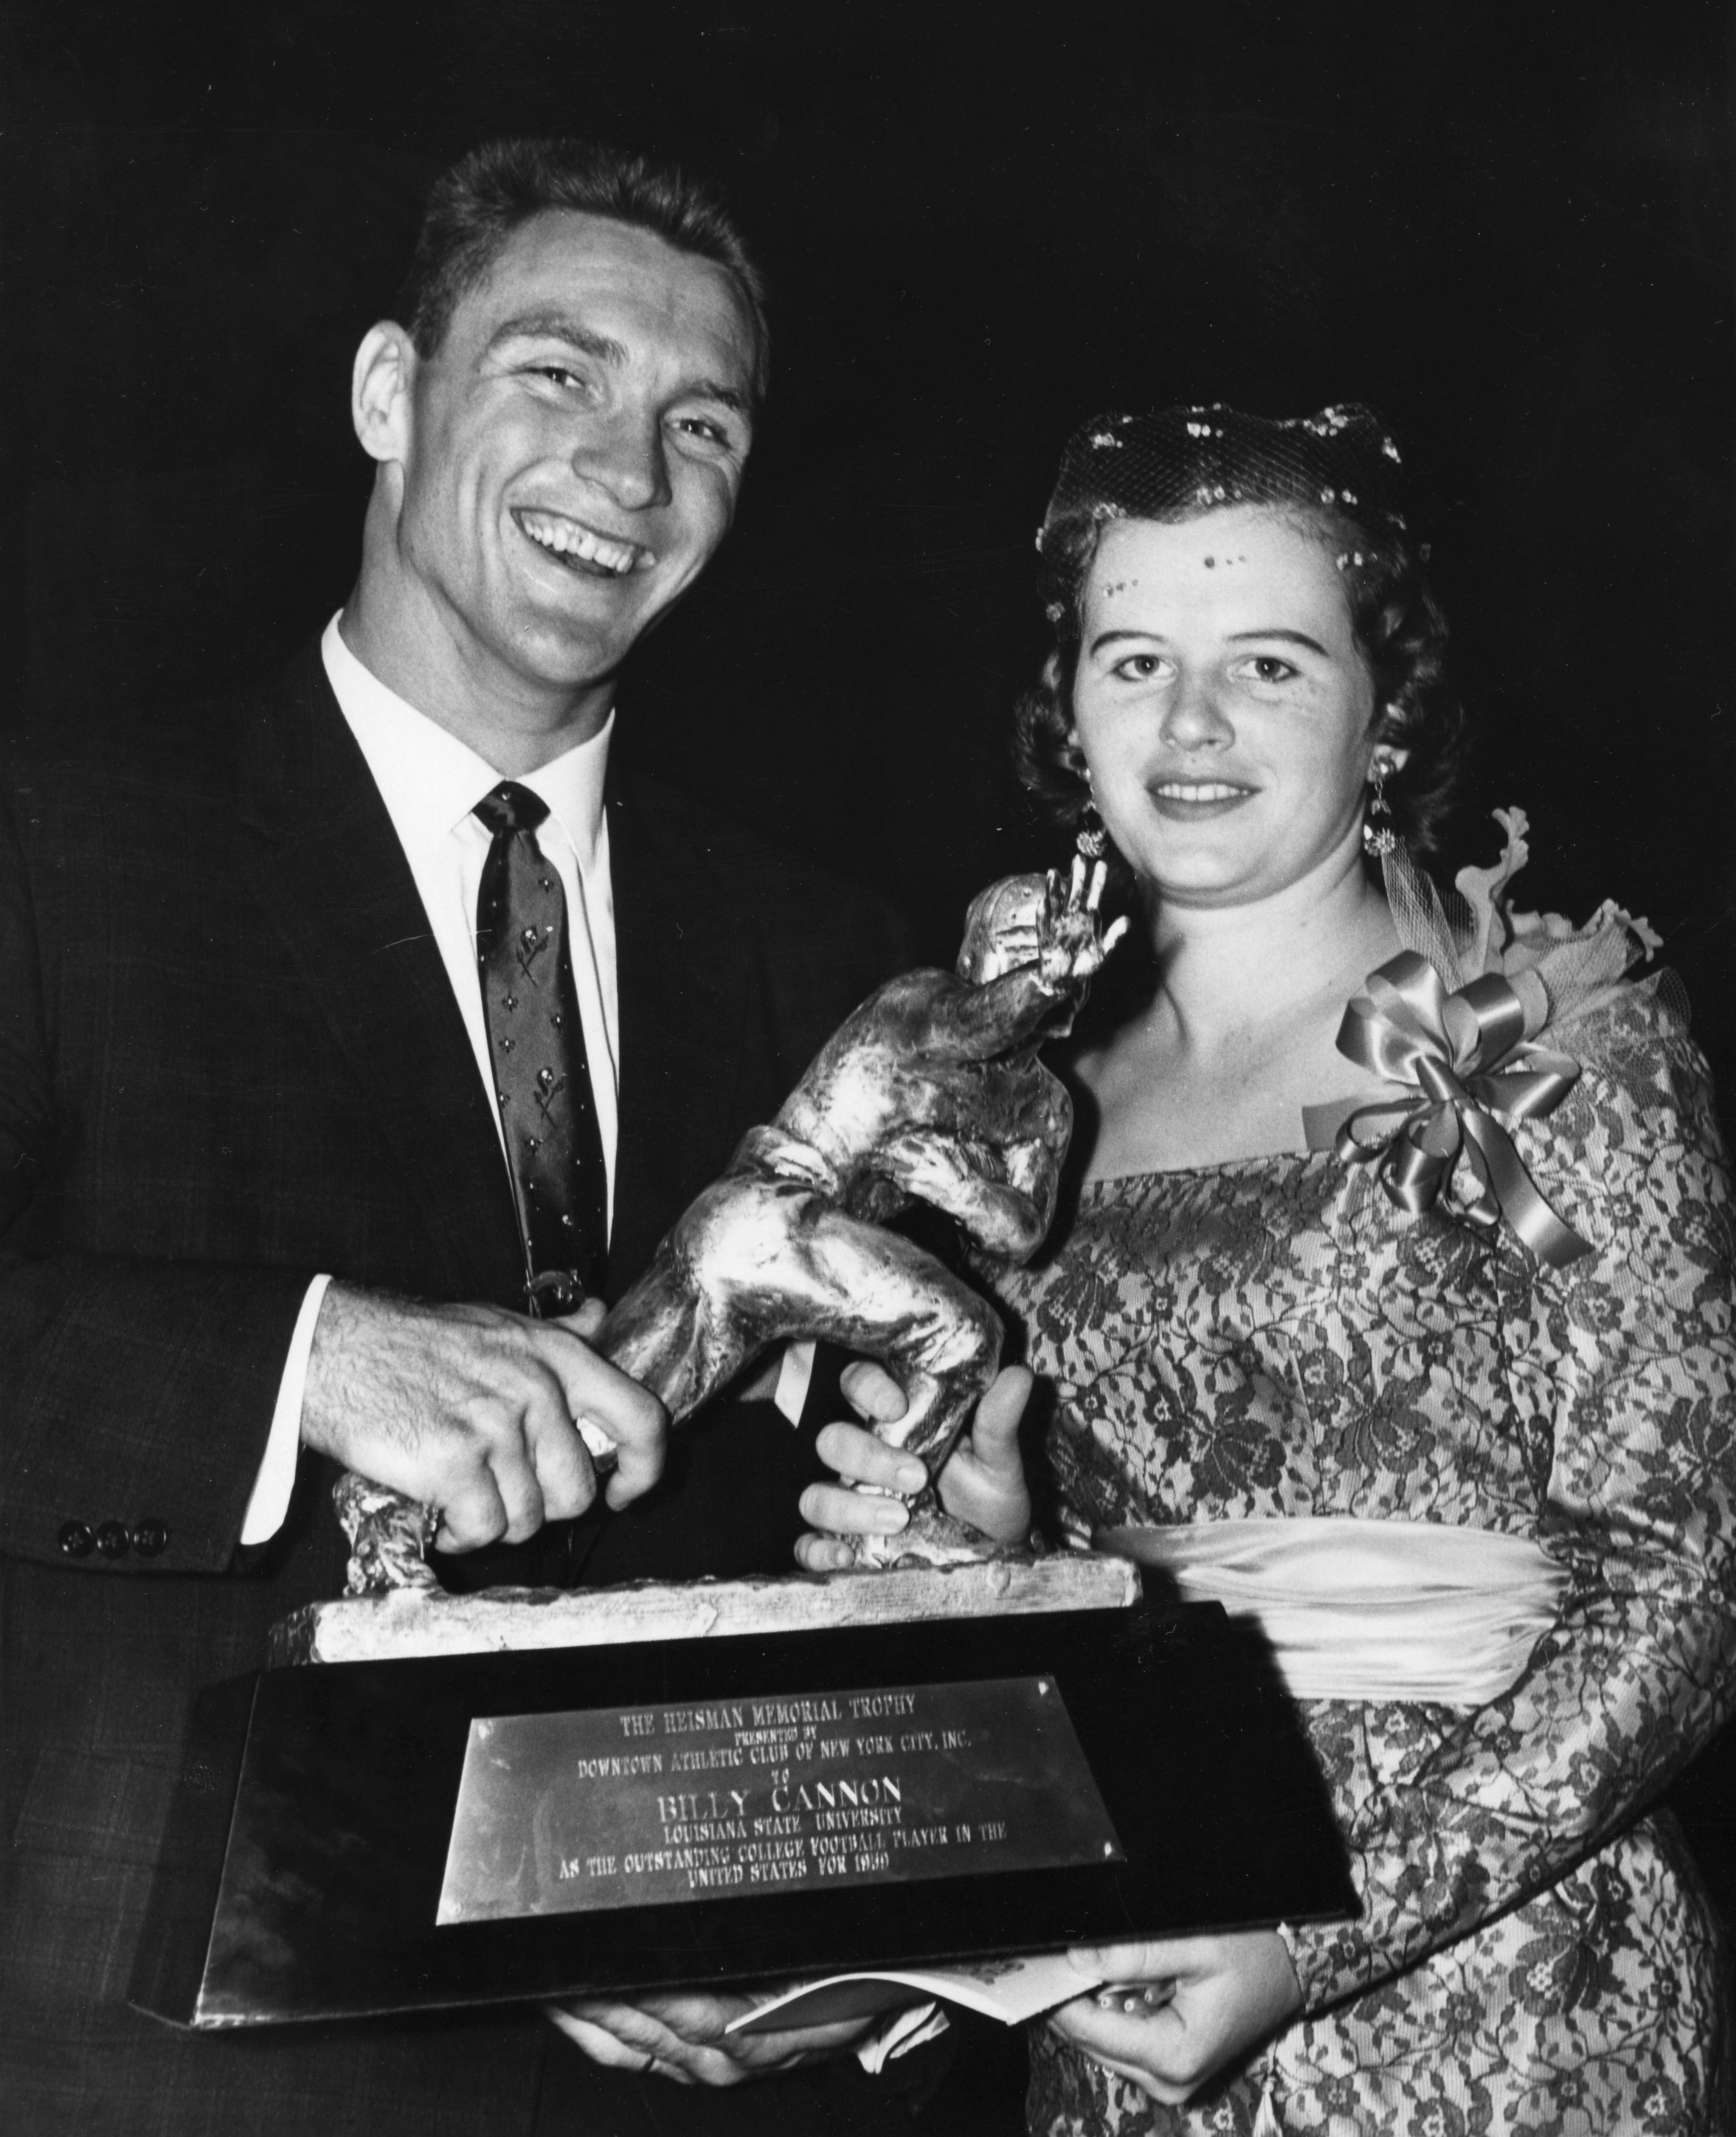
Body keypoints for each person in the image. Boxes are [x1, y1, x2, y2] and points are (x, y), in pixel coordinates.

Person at [0, 137, 927, 2135]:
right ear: (386, 394)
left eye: (702, 424)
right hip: (174, 2073)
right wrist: (307, 1361)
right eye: (558, 373)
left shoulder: (832, 955)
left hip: (694, 2077)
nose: (629, 469)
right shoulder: (55, 847)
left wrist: (849, 1950)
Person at [802, 403, 1736, 2131]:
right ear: (1069, 712)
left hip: (1514, 2006)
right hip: (1131, 1991)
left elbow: (1681, 1586)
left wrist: (1321, 1937)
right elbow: (1097, 1594)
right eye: (1135, 660)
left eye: (1271, 665)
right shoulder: (1026, 1109)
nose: (1192, 723)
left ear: (1389, 716)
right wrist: (990, 1553)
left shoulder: (1538, 1045)